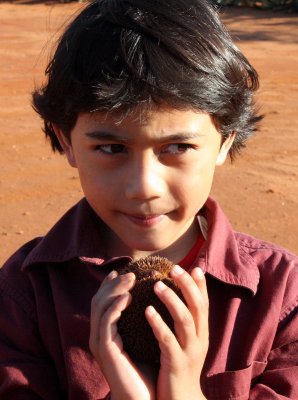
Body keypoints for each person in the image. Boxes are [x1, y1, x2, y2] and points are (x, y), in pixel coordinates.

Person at [0, 0, 297, 398]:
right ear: (65, 139)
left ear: (224, 140)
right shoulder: (26, 294)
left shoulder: (282, 296)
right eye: (110, 148)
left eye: (177, 146)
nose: (144, 186)